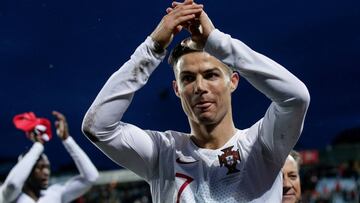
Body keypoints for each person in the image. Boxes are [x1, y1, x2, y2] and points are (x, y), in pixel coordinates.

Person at [82, 0, 310, 202]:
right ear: (177, 89)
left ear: (233, 81)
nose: (200, 87)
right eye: (188, 78)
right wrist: (152, 49)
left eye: (210, 75)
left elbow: (296, 97)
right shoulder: (163, 153)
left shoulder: (261, 145)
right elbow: (97, 127)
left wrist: (217, 42)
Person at [0, 111, 99, 203]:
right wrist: (38, 146)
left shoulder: (54, 194)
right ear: (27, 171)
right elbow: (12, 184)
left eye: (47, 167)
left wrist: (67, 140)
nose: (46, 172)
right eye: (40, 168)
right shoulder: (10, 197)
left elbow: (91, 177)